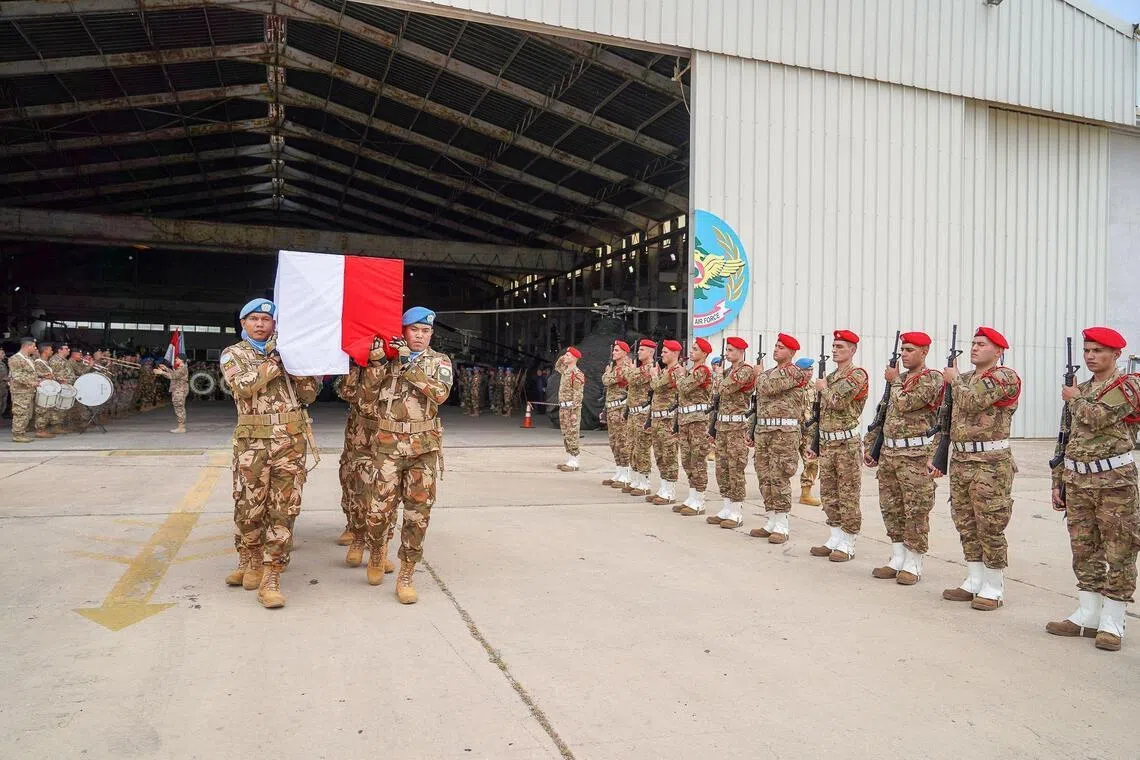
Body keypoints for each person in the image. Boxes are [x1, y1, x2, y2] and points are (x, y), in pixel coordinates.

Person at [341, 307, 452, 603]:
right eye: (414, 330)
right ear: (402, 331)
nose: (420, 336)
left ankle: (406, 574)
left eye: (426, 331)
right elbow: (363, 399)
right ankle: (377, 551)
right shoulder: (387, 362)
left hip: (423, 449)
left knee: (418, 515)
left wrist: (409, 367)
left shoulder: (439, 361)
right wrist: (377, 363)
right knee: (378, 512)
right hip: (387, 448)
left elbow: (441, 394)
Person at [221, 298, 322, 609]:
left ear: (276, 325)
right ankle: (248, 556)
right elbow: (244, 385)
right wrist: (277, 361)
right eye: (254, 319)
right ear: (243, 323)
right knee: (248, 506)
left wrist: (298, 366)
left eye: (267, 319)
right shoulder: (233, 354)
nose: (261, 324)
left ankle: (271, 574)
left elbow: (309, 394)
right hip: (253, 444)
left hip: (290, 443)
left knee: (284, 510)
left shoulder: (291, 355)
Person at [1046, 326, 1139, 651]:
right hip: (1079, 480)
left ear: (1116, 355)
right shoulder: (1081, 388)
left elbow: (1098, 416)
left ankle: (1113, 620)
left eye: (1098, 350)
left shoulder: (1128, 385)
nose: (1090, 356)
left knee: (1120, 550)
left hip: (1114, 483)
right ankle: (1088, 613)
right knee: (1084, 549)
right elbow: (1066, 437)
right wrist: (1059, 481)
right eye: (1087, 350)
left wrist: (1074, 398)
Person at [929, 327, 1021, 610]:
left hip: (991, 463)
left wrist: (954, 381)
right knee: (965, 522)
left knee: (990, 523)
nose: (974, 348)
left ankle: (994, 585)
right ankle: (974, 578)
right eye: (973, 343)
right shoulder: (965, 379)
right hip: (961, 460)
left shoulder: (1005, 377)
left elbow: (972, 401)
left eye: (982, 344)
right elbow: (948, 421)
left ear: (998, 351)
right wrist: (938, 456)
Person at [864, 331, 943, 585]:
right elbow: (883, 412)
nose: (904, 355)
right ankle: (897, 557)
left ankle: (914, 562)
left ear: (924, 352)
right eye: (902, 350)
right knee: (891, 508)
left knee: (916, 510)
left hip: (915, 455)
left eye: (910, 350)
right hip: (889, 453)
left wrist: (894, 379)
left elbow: (906, 403)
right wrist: (871, 445)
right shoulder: (896, 381)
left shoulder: (932, 379)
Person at [805, 331, 869, 561]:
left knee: (848, 493)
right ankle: (834, 536)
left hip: (846, 443)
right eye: (833, 346)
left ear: (852, 350)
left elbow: (838, 402)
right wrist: (816, 442)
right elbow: (820, 414)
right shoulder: (830, 377)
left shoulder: (857, 375)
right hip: (828, 442)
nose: (834, 350)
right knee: (829, 492)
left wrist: (822, 388)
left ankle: (849, 541)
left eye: (840, 346)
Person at [749, 333, 809, 544]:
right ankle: (771, 519)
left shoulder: (795, 372)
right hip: (764, 432)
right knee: (764, 476)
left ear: (791, 353)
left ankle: (782, 524)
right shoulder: (767, 373)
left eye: (781, 347)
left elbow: (767, 387)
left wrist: (759, 375)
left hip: (784, 434)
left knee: (779, 476)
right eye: (775, 346)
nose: (776, 350)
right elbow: (758, 404)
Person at [709, 336, 755, 529]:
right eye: (726, 350)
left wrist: (718, 375)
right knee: (722, 467)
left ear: (740, 352)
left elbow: (724, 388)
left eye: (731, 351)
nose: (727, 354)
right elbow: (714, 394)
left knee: (735, 468)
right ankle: (727, 506)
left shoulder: (746, 371)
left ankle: (736, 510)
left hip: (736, 427)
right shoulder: (727, 371)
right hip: (723, 426)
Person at [676, 338, 714, 515]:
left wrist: (681, 374)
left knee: (698, 460)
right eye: (692, 349)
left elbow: (683, 387)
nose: (691, 352)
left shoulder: (702, 371)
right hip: (686, 419)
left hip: (698, 421)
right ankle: (692, 496)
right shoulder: (692, 370)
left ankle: (699, 499)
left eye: (695, 349)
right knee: (687, 460)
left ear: (704, 354)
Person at [647, 339, 683, 505]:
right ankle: (663, 487)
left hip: (668, 420)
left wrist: (654, 375)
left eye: (665, 352)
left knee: (669, 455)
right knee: (660, 454)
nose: (661, 354)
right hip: (658, 418)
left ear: (675, 354)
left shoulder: (676, 371)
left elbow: (656, 386)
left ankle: (670, 491)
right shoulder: (665, 370)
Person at [622, 340, 656, 497]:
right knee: (632, 447)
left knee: (642, 448)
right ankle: (636, 478)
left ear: (650, 352)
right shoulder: (639, 368)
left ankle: (644, 481)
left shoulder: (650, 368)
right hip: (634, 412)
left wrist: (630, 369)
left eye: (642, 350)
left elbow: (632, 379)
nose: (639, 352)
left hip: (643, 413)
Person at [601, 340, 633, 489]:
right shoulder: (615, 368)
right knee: (614, 442)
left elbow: (607, 380)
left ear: (625, 353)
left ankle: (626, 473)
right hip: (612, 408)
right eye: (614, 350)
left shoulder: (625, 368)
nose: (614, 352)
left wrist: (607, 373)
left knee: (622, 442)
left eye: (617, 350)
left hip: (621, 409)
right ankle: (619, 471)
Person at [554, 347, 586, 471]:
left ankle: (575, 461)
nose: (565, 357)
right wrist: (563, 357)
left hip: (571, 409)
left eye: (567, 355)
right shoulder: (566, 371)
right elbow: (557, 366)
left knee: (572, 434)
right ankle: (569, 459)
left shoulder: (576, 373)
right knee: (566, 434)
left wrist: (574, 411)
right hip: (563, 408)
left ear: (574, 358)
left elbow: (578, 394)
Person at [795, 357, 821, 506]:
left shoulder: (815, 388)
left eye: (811, 370)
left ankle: (806, 494)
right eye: (806, 370)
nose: (809, 373)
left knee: (811, 462)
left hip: (809, 433)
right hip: (792, 431)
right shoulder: (792, 387)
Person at [7, 337, 40, 443]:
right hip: (20, 391)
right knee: (20, 412)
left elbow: (29, 373)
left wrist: (39, 378)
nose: (35, 349)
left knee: (26, 413)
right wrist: (31, 382)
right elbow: (17, 376)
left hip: (28, 391)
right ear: (27, 346)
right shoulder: (15, 358)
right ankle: (18, 434)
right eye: (34, 346)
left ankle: (22, 433)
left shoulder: (28, 359)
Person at [155, 355, 190, 433]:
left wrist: (161, 372)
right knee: (179, 407)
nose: (176, 360)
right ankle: (181, 426)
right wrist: (166, 369)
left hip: (179, 390)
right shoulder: (181, 368)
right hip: (178, 390)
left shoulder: (182, 368)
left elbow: (173, 376)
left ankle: (181, 427)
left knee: (179, 408)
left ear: (181, 360)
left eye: (177, 358)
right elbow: (174, 374)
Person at [0, 347, 8, 421]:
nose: (4, 354)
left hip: (3, 387)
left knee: (3, 404)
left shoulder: (3, 363)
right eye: (2, 353)